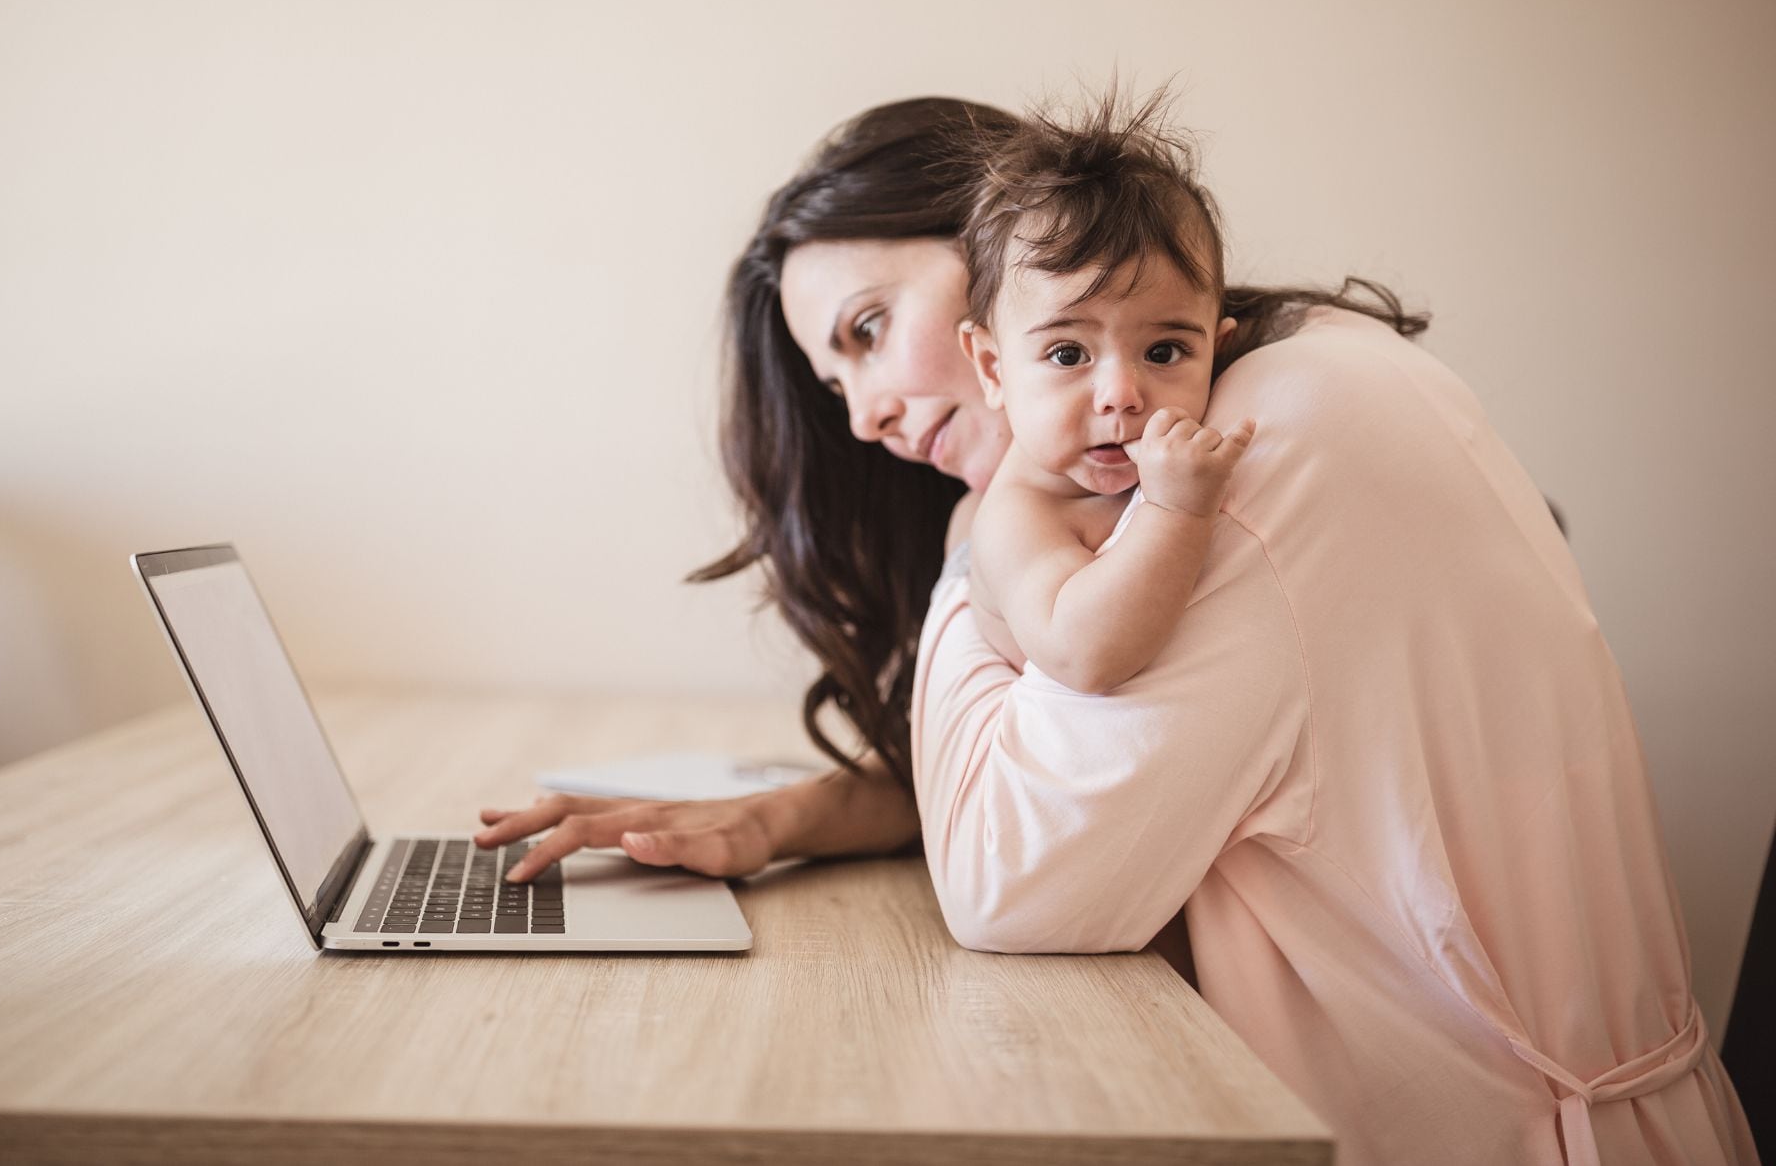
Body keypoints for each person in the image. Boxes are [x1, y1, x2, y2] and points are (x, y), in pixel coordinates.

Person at [476, 95, 1758, 1166]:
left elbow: (1010, 879)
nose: (865, 412)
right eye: (834, 380)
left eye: (869, 331)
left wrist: (989, 520)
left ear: (996, 261)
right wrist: (785, 818)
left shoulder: (1245, 458)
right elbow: (1094, 737)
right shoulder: (1225, 417)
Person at [956, 96, 1258, 691]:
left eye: (1164, 352)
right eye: (1068, 354)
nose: (1120, 395)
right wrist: (1176, 510)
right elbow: (1082, 656)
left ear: (1217, 352)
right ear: (993, 369)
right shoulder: (1019, 516)